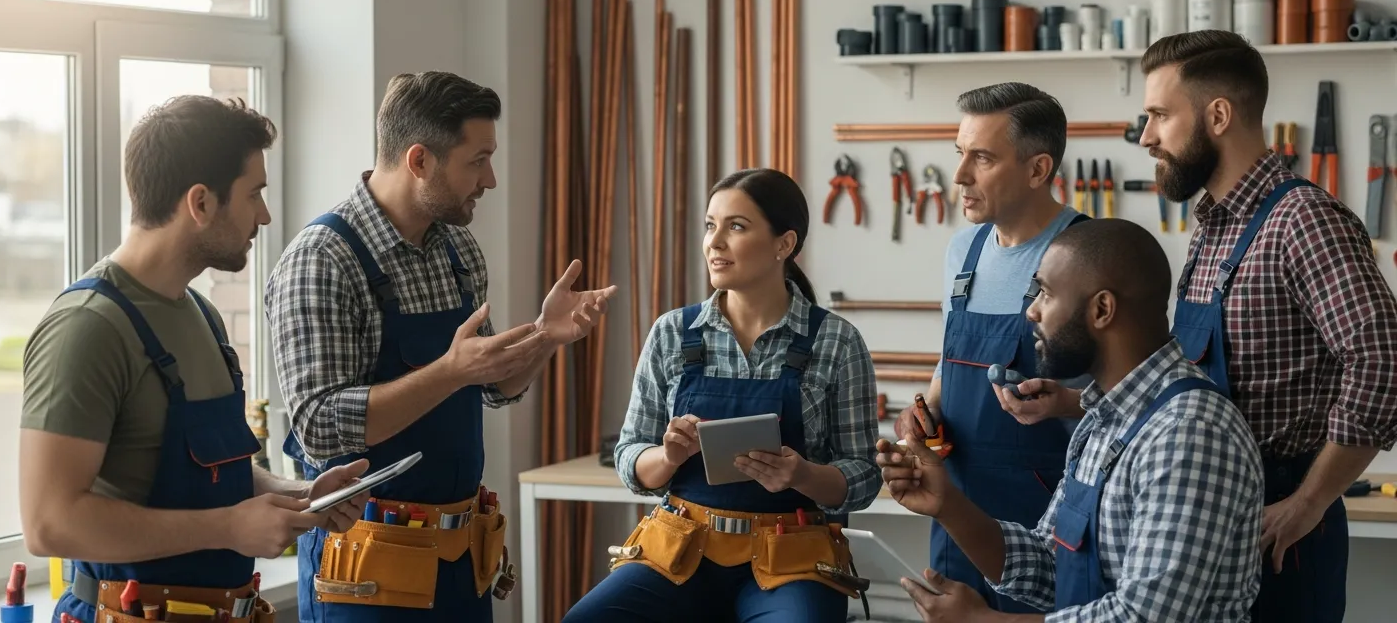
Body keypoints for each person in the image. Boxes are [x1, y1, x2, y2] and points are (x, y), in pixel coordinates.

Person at [265, 71, 615, 622]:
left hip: (461, 558)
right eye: (477, 160)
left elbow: (494, 387)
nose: (491, 179)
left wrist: (544, 338)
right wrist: (449, 371)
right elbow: (320, 426)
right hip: (365, 568)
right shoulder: (322, 261)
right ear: (420, 160)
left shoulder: (458, 250)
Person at [19, 96, 371, 622]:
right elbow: (48, 523)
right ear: (200, 203)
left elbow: (209, 470)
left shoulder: (202, 316)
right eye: (254, 194)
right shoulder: (87, 328)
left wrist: (298, 496)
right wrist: (229, 527)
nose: (265, 215)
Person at [881, 218, 1265, 622]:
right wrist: (949, 506)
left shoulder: (1189, 431)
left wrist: (984, 621)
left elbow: (1145, 617)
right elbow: (1050, 569)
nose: (1031, 311)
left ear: (1102, 309)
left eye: (1044, 292)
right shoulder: (1100, 420)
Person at [1137, 30, 1397, 622]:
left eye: (1158, 115)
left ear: (1219, 115)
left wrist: (1309, 502)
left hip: (1279, 531)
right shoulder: (1212, 227)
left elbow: (1383, 357)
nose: (1147, 136)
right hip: (1208, 513)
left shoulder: (1303, 221)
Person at [563, 168, 880, 623]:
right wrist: (668, 456)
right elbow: (630, 456)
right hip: (679, 548)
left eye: (736, 226)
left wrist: (802, 475)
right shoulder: (673, 333)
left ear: (784, 245)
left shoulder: (836, 341)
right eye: (711, 225)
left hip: (790, 556)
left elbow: (864, 474)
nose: (714, 242)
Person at [888, 82, 1086, 613]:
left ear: (1038, 169)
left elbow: (1131, 400)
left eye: (982, 158)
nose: (960, 176)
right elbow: (946, 370)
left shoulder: (1087, 255)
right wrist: (921, 419)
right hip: (955, 508)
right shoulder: (963, 251)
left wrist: (1065, 403)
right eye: (960, 154)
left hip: (1048, 521)